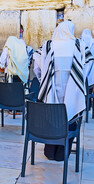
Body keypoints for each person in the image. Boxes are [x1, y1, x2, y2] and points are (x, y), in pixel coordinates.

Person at [33, 20, 93, 161]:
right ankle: (62, 153)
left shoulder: (48, 45)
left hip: (51, 91)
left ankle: (50, 152)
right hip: (73, 92)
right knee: (71, 116)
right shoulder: (79, 45)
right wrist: (83, 79)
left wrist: (43, 79)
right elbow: (90, 63)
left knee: (52, 117)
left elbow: (36, 61)